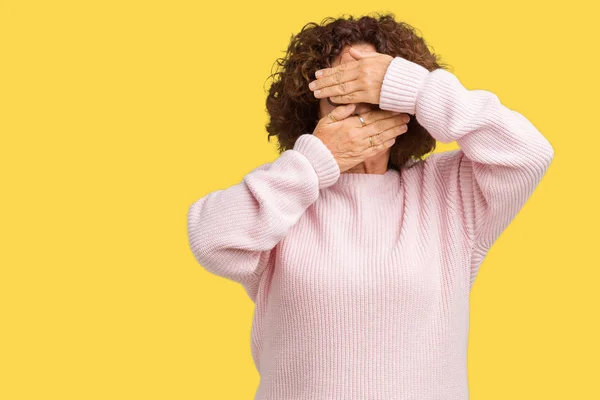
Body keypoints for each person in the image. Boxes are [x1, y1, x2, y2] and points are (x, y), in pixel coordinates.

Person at [187, 13, 554, 400]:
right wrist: (315, 160)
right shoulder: (286, 193)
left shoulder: (449, 193)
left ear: (405, 109)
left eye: (374, 93)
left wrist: (412, 85)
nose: (361, 111)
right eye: (342, 95)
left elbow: (529, 154)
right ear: (315, 115)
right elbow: (211, 238)